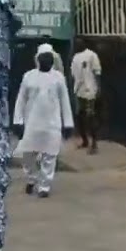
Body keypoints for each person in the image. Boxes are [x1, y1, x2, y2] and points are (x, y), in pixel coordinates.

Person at [12, 44, 73, 198]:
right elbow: (21, 100)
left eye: (49, 57)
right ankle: (31, 179)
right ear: (38, 59)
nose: (46, 60)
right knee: (27, 156)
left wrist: (68, 124)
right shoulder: (29, 76)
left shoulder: (59, 78)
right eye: (43, 57)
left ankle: (44, 186)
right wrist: (18, 121)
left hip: (52, 124)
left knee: (50, 156)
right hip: (32, 123)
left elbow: (65, 101)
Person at [69, 38, 102, 154]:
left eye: (79, 43)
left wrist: (98, 88)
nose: (77, 45)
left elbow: (97, 73)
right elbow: (73, 75)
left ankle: (94, 144)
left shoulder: (91, 55)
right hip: (78, 91)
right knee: (79, 117)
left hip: (90, 90)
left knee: (90, 116)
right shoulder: (75, 58)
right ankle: (84, 141)